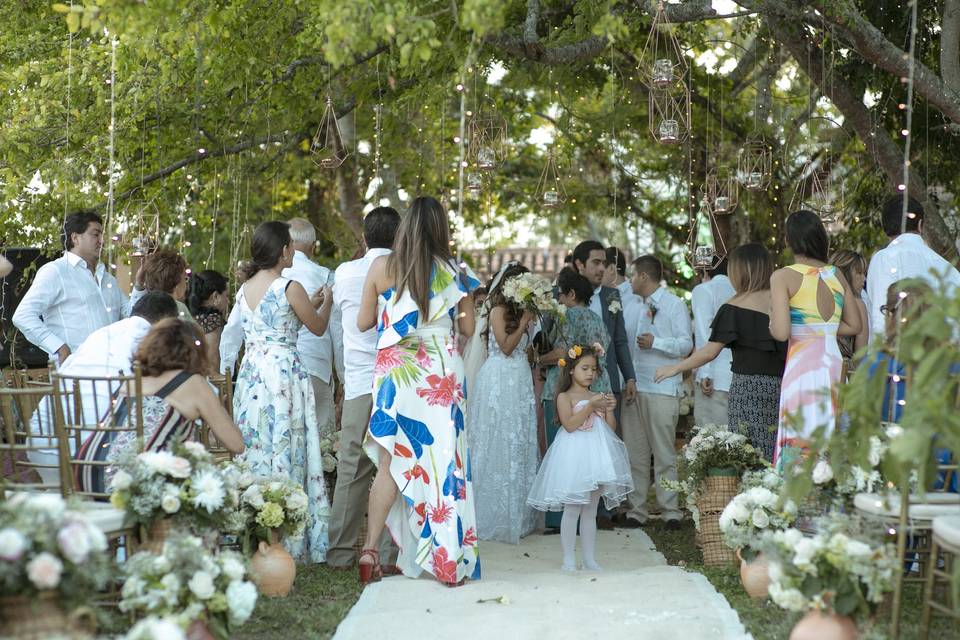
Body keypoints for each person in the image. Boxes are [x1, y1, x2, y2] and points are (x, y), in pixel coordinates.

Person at [356, 196, 480, 586]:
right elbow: (468, 329)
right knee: (444, 462)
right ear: (442, 228)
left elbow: (363, 322)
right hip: (439, 371)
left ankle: (370, 549)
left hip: (397, 373)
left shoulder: (381, 266)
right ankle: (447, 561)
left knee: (394, 459)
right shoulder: (455, 271)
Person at [220, 220, 333, 563]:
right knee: (289, 443)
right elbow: (317, 326)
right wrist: (326, 302)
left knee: (256, 443)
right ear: (284, 251)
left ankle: (253, 532)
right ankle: (289, 537)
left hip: (254, 375)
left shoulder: (243, 290)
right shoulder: (289, 286)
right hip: (284, 375)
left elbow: (254, 326)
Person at [77, 318, 245, 493]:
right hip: (132, 482)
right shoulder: (192, 383)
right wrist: (219, 405)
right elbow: (236, 444)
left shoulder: (131, 382)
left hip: (87, 469)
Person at [27, 291, 180, 484]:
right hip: (96, 458)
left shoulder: (98, 335)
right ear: (166, 322)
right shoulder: (148, 339)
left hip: (42, 454)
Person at [654, 244, 787, 461]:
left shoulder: (733, 306)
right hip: (782, 387)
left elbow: (709, 352)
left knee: (748, 455)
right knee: (778, 451)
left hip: (747, 391)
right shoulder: (783, 302)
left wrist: (676, 367)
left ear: (739, 271)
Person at [326, 206, 401, 571]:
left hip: (358, 379)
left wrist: (340, 377)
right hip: (400, 380)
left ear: (364, 238)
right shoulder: (407, 270)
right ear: (400, 238)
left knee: (351, 467)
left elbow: (341, 328)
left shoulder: (344, 272)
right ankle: (388, 553)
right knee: (397, 466)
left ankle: (340, 552)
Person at [527, 344, 632, 571]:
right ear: (572, 370)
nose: (590, 373)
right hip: (573, 456)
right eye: (585, 368)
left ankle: (589, 558)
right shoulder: (564, 397)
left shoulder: (598, 396)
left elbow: (610, 428)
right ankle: (568, 558)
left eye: (593, 369)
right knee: (573, 508)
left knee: (591, 510)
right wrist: (590, 407)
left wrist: (609, 409)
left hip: (595, 456)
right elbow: (570, 425)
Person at [770, 210, 861, 470]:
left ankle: (796, 496)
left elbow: (781, 332)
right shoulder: (836, 274)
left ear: (789, 241)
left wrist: (774, 320)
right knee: (829, 432)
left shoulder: (783, 276)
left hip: (801, 366)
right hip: (831, 362)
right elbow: (856, 325)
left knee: (799, 434)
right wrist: (825, 329)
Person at [467, 263, 539, 544]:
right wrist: (523, 324)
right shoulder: (497, 311)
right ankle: (491, 516)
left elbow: (522, 350)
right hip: (499, 379)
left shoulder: (524, 313)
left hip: (520, 378)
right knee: (497, 440)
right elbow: (506, 347)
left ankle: (519, 515)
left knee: (519, 441)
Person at [620, 255, 692, 529]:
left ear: (644, 277)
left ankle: (670, 511)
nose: (629, 280)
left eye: (632, 275)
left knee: (663, 453)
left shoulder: (674, 305)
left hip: (662, 387)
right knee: (635, 453)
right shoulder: (632, 307)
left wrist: (656, 342)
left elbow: (686, 346)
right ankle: (636, 510)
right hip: (635, 387)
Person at [538, 267, 612, 530]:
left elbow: (560, 351)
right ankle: (592, 514)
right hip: (596, 390)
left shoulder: (566, 316)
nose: (558, 299)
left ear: (570, 294)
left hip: (565, 390)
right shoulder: (596, 319)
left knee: (562, 454)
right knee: (593, 455)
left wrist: (537, 359)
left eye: (560, 294)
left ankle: (560, 517)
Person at [13, 212, 128, 364]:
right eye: (95, 234)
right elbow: (23, 316)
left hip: (113, 370)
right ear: (75, 238)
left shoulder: (108, 279)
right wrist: (59, 347)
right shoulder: (56, 271)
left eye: (103, 235)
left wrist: (140, 286)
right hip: (75, 372)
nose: (102, 241)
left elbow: (132, 314)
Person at [865, 195, 960, 341]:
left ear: (885, 228)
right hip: (945, 359)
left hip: (900, 358)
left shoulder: (885, 258)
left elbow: (881, 319)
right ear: (920, 225)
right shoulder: (948, 269)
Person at [282, 217, 339, 440]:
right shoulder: (325, 278)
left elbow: (234, 331)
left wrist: (227, 366)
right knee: (320, 438)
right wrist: (343, 375)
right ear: (313, 247)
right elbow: (335, 330)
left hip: (277, 370)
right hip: (315, 365)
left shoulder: (267, 278)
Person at [690, 257, 735, 427]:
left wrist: (705, 372)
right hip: (735, 374)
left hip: (714, 375)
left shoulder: (703, 290)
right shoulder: (739, 290)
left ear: (706, 271)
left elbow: (704, 332)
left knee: (709, 438)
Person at [830, 249, 869, 373]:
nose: (864, 278)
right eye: (859, 273)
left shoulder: (820, 299)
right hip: (844, 373)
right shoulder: (858, 305)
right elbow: (860, 353)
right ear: (845, 273)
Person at [130, 248, 193, 321]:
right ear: (177, 283)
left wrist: (139, 283)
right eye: (185, 278)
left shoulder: (143, 305)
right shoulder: (179, 308)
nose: (186, 283)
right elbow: (193, 331)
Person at [187, 270, 229, 374]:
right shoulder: (213, 322)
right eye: (226, 295)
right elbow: (214, 363)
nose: (228, 301)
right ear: (216, 296)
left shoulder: (190, 318)